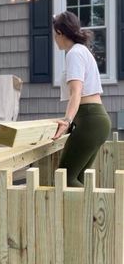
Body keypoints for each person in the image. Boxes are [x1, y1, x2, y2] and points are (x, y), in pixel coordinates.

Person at [52, 11, 111, 187]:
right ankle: (89, 215)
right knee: (78, 179)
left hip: (90, 120)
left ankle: (99, 214)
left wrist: (67, 120)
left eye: (55, 34)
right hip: (95, 119)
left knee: (65, 180)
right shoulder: (82, 51)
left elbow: (76, 92)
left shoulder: (74, 54)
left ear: (60, 33)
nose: (54, 38)